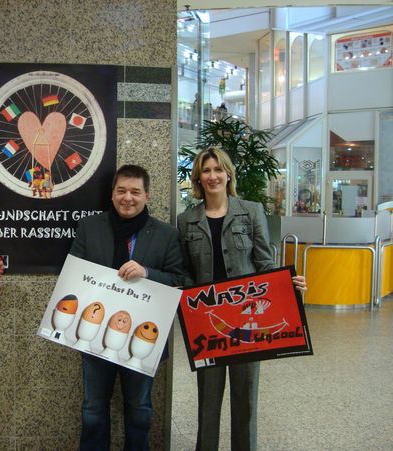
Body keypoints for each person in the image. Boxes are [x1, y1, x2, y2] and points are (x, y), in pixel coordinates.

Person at [177, 147, 306, 451]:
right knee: (207, 401)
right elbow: (183, 272)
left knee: (245, 398)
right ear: (198, 177)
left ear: (228, 174)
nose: (213, 176)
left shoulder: (251, 211)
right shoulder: (187, 220)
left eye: (218, 170)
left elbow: (265, 265)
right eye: (206, 170)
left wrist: (287, 285)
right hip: (209, 326)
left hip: (250, 322)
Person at [70, 164, 184, 451]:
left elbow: (180, 281)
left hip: (143, 339)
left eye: (135, 191)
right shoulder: (90, 227)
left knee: (140, 409)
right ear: (112, 195)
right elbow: (72, 273)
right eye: (121, 191)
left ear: (147, 195)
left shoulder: (166, 234)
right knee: (93, 409)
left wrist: (147, 273)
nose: (127, 198)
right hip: (94, 334)